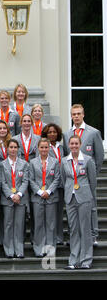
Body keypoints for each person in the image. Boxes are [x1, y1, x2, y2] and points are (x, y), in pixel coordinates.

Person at [62, 104, 104, 246]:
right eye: (74, 114)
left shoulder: (93, 133)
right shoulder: (67, 135)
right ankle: (75, 236)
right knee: (73, 208)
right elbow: (66, 157)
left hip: (86, 178)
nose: (76, 116)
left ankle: (93, 235)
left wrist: (92, 175)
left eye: (79, 114)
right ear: (71, 116)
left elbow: (98, 157)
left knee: (91, 206)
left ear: (83, 114)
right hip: (73, 179)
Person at [61, 135, 97, 270]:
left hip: (84, 198)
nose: (74, 146)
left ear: (80, 144)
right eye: (72, 144)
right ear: (69, 145)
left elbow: (92, 181)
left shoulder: (87, 160)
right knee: (73, 229)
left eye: (76, 144)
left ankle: (86, 260)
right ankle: (73, 260)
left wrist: (89, 196)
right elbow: (64, 180)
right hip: (70, 198)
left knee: (85, 229)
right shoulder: (65, 161)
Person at [29, 138, 61, 257]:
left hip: (51, 197)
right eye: (41, 147)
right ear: (38, 148)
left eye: (46, 147)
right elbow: (31, 179)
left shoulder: (55, 162)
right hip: (37, 197)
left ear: (49, 148)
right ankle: (38, 249)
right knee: (38, 224)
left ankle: (50, 250)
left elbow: (57, 178)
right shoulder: (32, 162)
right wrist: (39, 191)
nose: (44, 149)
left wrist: (48, 191)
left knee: (51, 224)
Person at [0, 139, 29, 258]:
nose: (13, 149)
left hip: (20, 198)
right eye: (11, 147)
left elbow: (25, 180)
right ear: (7, 149)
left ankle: (19, 249)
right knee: (8, 224)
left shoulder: (24, 164)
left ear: (18, 149)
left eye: (15, 147)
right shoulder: (2, 164)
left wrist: (19, 194)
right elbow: (2, 182)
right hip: (8, 199)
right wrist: (11, 195)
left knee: (19, 224)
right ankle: (9, 249)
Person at [42, 123, 65, 245]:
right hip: (48, 184)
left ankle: (59, 236)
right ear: (46, 134)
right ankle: (47, 238)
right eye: (49, 132)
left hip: (61, 184)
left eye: (54, 132)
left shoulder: (61, 148)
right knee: (48, 215)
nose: (52, 134)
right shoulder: (43, 146)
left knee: (59, 211)